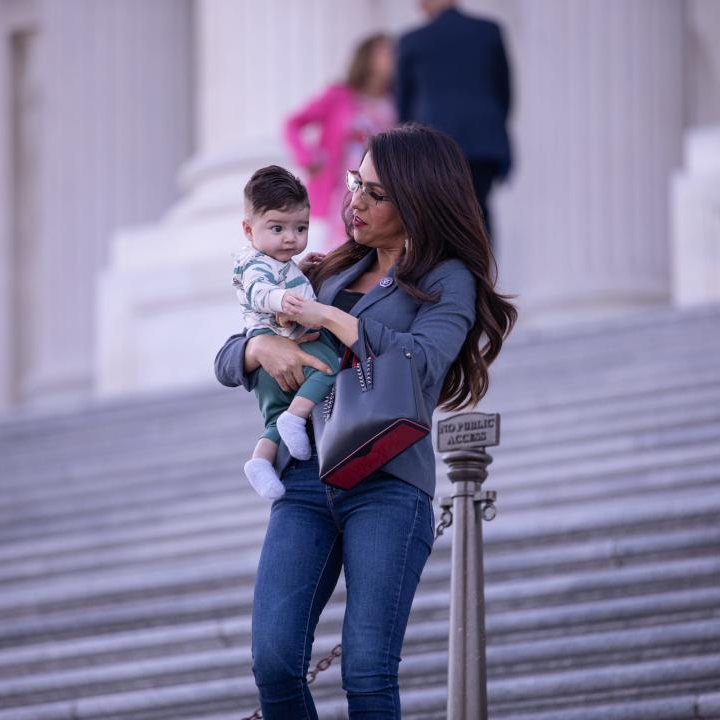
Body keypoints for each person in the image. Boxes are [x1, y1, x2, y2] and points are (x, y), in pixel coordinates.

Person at [215, 124, 517, 718]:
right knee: (274, 661)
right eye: (356, 182)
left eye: (375, 193)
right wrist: (259, 352)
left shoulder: (444, 278)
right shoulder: (325, 269)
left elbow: (421, 366)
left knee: (367, 669)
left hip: (385, 482)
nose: (354, 201)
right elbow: (232, 353)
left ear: (417, 200)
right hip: (304, 481)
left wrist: (331, 318)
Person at [232, 166, 341, 500]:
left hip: (273, 366)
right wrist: (285, 300)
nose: (290, 238)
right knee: (329, 366)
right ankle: (297, 418)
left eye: (300, 228)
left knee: (273, 421)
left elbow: (281, 279)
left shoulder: (281, 263)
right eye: (277, 228)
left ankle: (260, 461)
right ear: (249, 230)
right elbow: (258, 292)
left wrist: (302, 272)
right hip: (281, 350)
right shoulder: (254, 264)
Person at [395, 0, 512, 239]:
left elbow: (403, 104)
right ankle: (480, 275)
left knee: (437, 217)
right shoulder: (488, 30)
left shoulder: (412, 40)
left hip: (432, 143)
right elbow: (504, 92)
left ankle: (447, 276)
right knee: (477, 211)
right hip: (482, 142)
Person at [284, 33, 396, 253]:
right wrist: (308, 158)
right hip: (343, 187)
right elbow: (292, 123)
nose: (395, 57)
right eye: (386, 52)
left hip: (383, 185)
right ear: (368, 58)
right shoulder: (339, 96)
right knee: (341, 246)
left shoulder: (397, 100)